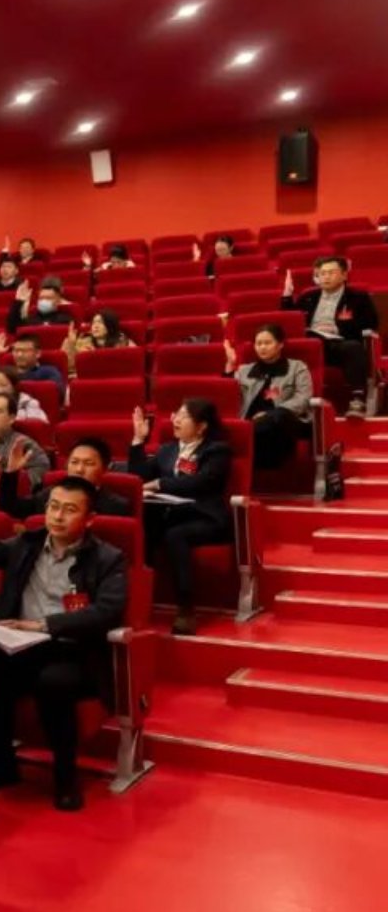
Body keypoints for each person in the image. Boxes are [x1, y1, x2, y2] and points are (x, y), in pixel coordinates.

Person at [0, 468, 126, 810]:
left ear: (90, 519)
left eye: (69, 509)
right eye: (53, 506)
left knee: (54, 681)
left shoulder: (108, 558)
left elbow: (107, 612)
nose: (58, 516)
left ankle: (65, 777)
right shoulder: (27, 543)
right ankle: (1, 766)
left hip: (74, 652)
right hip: (19, 646)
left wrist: (45, 625)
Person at [130, 400, 233, 635]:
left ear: (201, 426)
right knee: (142, 528)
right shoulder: (167, 450)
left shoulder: (217, 451)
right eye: (175, 414)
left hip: (206, 517)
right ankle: (140, 599)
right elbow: (139, 478)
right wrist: (138, 440)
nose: (175, 419)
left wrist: (160, 484)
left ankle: (185, 608)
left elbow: (202, 482)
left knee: (176, 535)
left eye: (183, 416)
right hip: (173, 514)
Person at [283, 256, 378, 418]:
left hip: (339, 345)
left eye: (331, 273)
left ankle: (358, 399)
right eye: (322, 273)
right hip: (311, 344)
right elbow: (289, 322)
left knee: (353, 347)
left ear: (344, 275)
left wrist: (336, 328)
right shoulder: (307, 297)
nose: (326, 277)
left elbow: (370, 324)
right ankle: (290, 404)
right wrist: (287, 296)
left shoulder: (358, 298)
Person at [226, 323, 314, 470]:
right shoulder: (244, 370)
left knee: (279, 416)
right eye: (258, 343)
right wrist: (230, 364)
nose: (262, 347)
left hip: (287, 420)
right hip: (255, 424)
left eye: (267, 343)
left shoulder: (297, 367)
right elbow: (229, 395)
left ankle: (239, 442)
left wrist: (269, 414)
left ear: (280, 344)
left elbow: (303, 398)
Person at [0, 437, 134, 519]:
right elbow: (10, 508)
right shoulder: (49, 494)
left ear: (105, 468)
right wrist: (11, 472)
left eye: (88, 463)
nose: (79, 469)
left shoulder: (117, 506)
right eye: (74, 462)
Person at [0, 333, 65, 394]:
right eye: (16, 350)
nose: (19, 355)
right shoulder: (6, 371)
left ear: (38, 353)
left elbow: (58, 392)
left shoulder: (48, 371)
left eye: (24, 351)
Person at [66, 309, 137, 376]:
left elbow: (135, 362)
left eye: (100, 322)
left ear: (110, 325)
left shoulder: (122, 341)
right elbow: (70, 367)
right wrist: (71, 344)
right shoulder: (82, 342)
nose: (95, 326)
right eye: (93, 323)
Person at [6, 276, 75, 336]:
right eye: (41, 298)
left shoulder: (65, 319)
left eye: (48, 298)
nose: (44, 301)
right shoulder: (31, 319)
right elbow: (12, 330)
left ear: (58, 300)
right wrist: (18, 302)